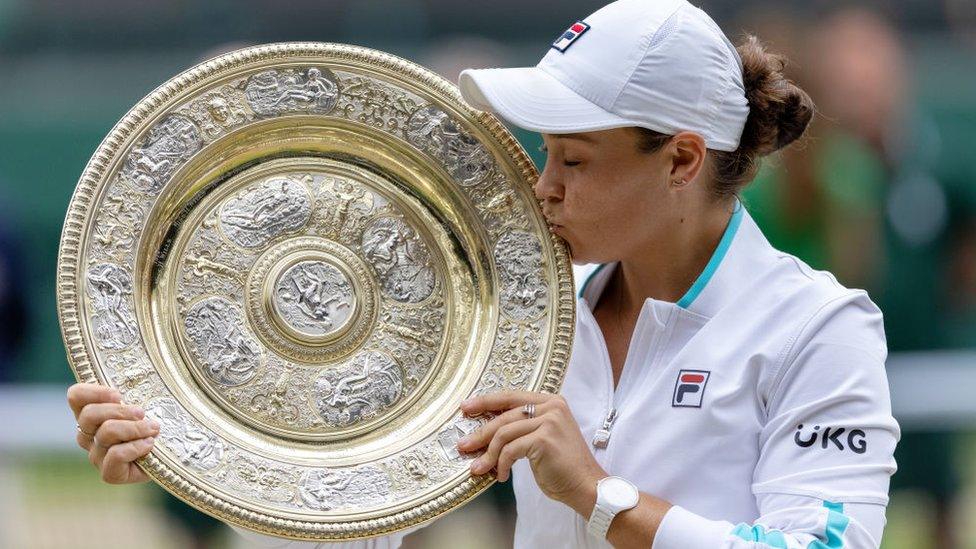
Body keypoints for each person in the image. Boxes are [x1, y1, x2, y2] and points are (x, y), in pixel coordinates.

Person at [66, 1, 900, 547]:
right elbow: (360, 513)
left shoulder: (819, 328)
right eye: (546, 155)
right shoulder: (514, 319)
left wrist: (600, 494)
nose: (544, 186)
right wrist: (189, 450)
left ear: (682, 159)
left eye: (574, 158)